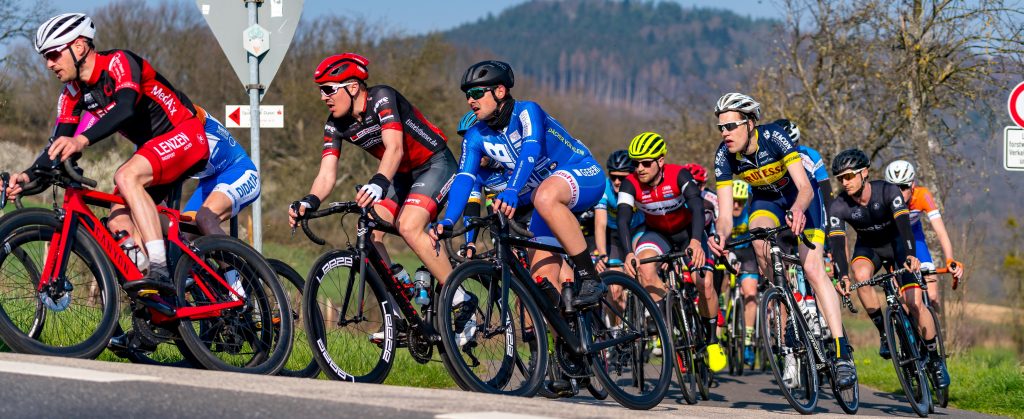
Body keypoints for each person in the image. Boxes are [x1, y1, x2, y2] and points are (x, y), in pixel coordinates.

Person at [7, 13, 209, 296]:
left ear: (78, 47)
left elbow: (124, 107)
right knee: (117, 220)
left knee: (125, 175)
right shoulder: (71, 94)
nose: (49, 64)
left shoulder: (119, 63)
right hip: (152, 153)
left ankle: (161, 270)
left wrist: (81, 140)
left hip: (186, 135)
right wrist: (25, 178)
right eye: (45, 57)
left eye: (53, 54)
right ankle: (153, 312)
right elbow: (56, 146)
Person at [432, 59, 608, 310]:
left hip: (581, 172)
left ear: (500, 91)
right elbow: (464, 178)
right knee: (542, 283)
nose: (470, 100)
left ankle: (591, 278)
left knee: (544, 196)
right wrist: (449, 221)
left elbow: (530, 150)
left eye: (476, 93)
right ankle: (572, 341)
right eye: (467, 95)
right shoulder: (475, 135)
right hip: (544, 199)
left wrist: (513, 189)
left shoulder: (526, 111)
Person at [709, 93, 856, 389]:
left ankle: (842, 353)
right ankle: (787, 309)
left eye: (731, 126)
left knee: (813, 269)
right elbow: (725, 215)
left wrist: (799, 209)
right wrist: (720, 236)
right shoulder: (724, 156)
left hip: (802, 201)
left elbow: (805, 187)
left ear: (750, 123)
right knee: (758, 241)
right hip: (767, 202)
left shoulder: (774, 137)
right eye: (721, 128)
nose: (725, 133)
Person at [288, 53, 457, 293]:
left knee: (408, 226)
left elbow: (395, 148)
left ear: (353, 87)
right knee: (366, 232)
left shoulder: (382, 98)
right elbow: (326, 174)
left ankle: (460, 299)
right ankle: (398, 303)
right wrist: (310, 200)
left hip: (435, 163)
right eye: (321, 91)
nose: (323, 97)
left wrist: (378, 183)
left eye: (328, 89)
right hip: (402, 176)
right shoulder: (335, 124)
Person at [828, 149, 949, 388]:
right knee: (860, 275)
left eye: (850, 176)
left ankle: (935, 361)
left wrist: (912, 255)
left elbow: (905, 226)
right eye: (840, 178)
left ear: (864, 173)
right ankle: (885, 333)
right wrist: (842, 275)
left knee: (914, 303)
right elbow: (837, 243)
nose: (845, 182)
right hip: (869, 248)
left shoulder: (888, 191)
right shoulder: (839, 205)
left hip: (897, 246)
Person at [614, 132, 726, 371]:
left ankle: (712, 341)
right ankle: (675, 321)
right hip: (657, 234)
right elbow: (623, 220)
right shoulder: (630, 183)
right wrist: (627, 253)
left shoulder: (678, 175)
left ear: (661, 160)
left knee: (704, 283)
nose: (640, 168)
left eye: (646, 162)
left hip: (688, 233)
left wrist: (696, 241)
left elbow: (696, 207)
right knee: (644, 268)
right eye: (636, 163)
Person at [883, 160, 964, 311]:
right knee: (906, 301)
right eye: (894, 188)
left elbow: (941, 232)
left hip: (915, 236)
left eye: (904, 186)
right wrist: (891, 270)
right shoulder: (884, 201)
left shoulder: (922, 196)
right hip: (894, 239)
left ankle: (934, 330)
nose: (899, 193)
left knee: (932, 295)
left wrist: (950, 259)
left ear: (912, 185)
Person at [728, 179, 761, 367]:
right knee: (719, 282)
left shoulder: (750, 212)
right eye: (733, 200)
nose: (735, 205)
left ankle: (747, 342)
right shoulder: (722, 212)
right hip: (728, 251)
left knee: (750, 294)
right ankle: (724, 310)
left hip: (747, 252)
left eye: (740, 201)